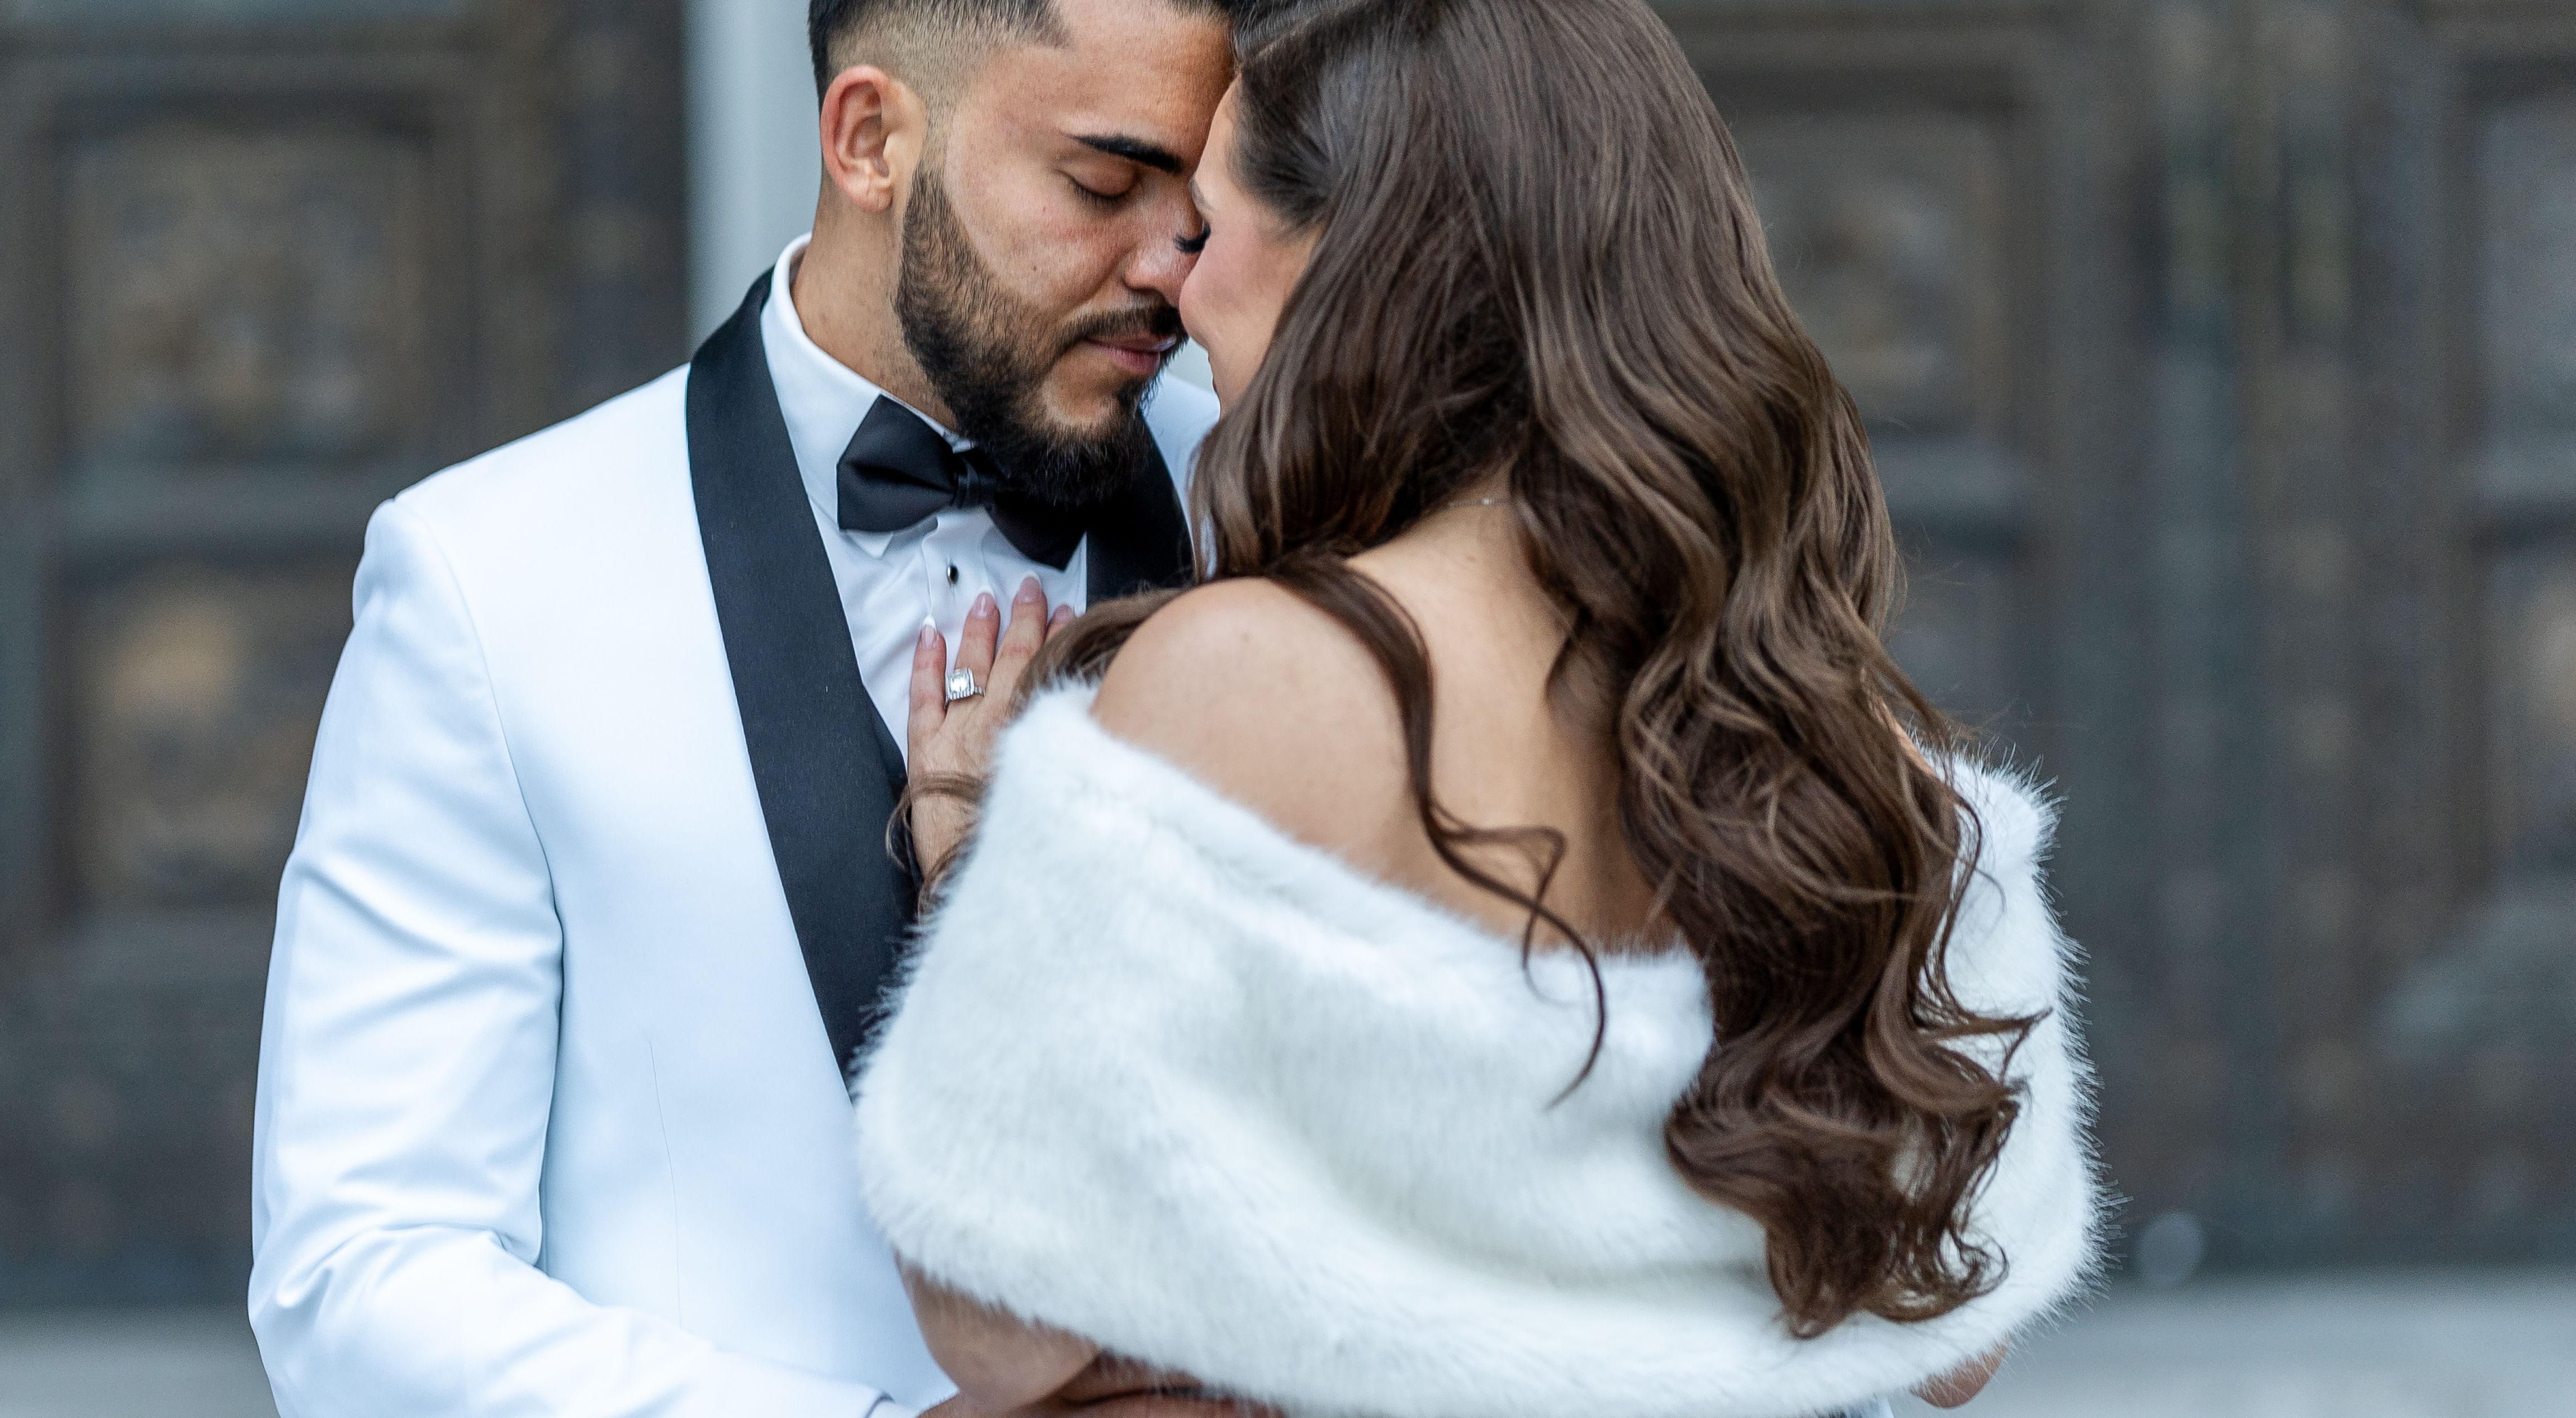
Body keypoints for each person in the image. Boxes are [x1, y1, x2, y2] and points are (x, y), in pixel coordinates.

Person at [853, 0, 2102, 1413]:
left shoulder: (1248, 674)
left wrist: (985, 869)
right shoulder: (1831, 728)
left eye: (1207, 225)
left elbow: (1003, 1317)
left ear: (1351, 258)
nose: (1181, 296)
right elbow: (1956, 1334)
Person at [240, 0, 1242, 1412]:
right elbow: (361, 1274)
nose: (1171, 268)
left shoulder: (1285, 516)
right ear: (870, 139)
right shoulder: (485, 576)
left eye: (1199, 202)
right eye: (1102, 184)